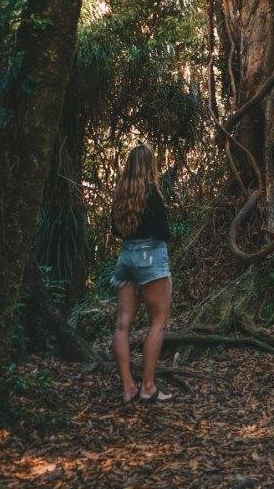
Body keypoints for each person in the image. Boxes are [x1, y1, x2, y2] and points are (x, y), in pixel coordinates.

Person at [111, 141, 173, 404]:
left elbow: (116, 230)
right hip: (151, 257)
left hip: (126, 257)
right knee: (157, 321)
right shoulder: (152, 194)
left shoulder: (122, 194)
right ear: (151, 165)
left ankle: (128, 387)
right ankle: (147, 386)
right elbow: (163, 232)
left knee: (123, 324)